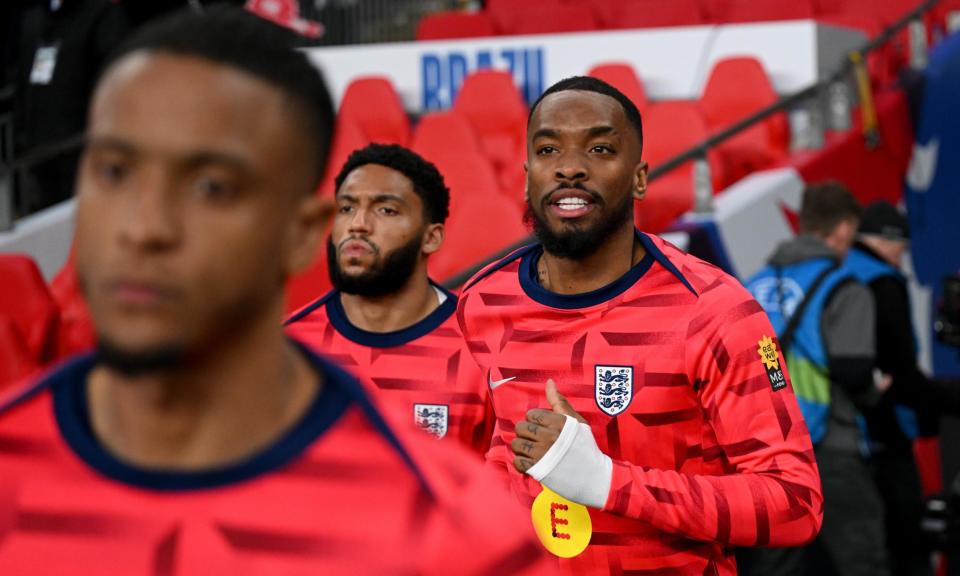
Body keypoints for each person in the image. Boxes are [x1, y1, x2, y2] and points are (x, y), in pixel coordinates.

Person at [0, 8, 550, 574]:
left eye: (212, 186)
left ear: (302, 234)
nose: (143, 227)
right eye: (114, 171)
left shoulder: (454, 528)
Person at [456, 75, 823, 575]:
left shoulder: (713, 310)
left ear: (640, 177)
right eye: (547, 150)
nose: (569, 168)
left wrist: (607, 481)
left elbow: (796, 504)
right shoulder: (480, 302)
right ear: (526, 176)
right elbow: (479, 467)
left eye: (600, 148)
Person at [286, 143, 493, 452]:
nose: (358, 224)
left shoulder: (483, 347)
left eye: (386, 210)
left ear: (431, 237)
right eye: (347, 208)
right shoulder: (290, 348)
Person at [745, 182, 887, 576]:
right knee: (864, 558)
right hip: (828, 446)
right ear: (842, 229)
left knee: (776, 565)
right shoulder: (845, 288)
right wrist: (875, 391)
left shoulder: (750, 287)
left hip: (765, 450)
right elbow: (853, 371)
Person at [847, 201, 941, 576]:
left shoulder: (830, 273)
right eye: (901, 248)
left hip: (829, 435)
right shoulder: (881, 281)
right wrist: (945, 400)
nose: (902, 259)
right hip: (880, 432)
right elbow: (899, 368)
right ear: (887, 241)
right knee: (905, 542)